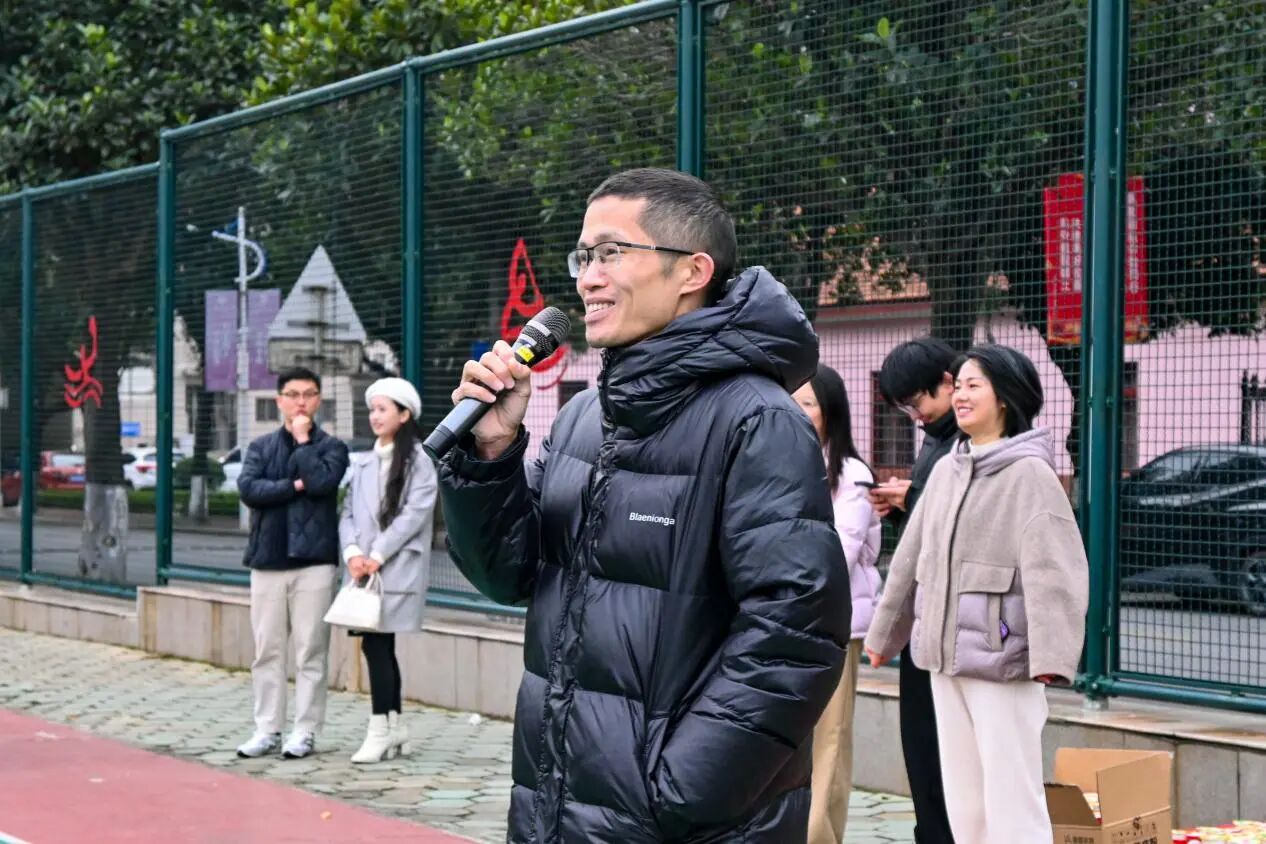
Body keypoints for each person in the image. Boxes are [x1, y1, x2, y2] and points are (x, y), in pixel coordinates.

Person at [438, 168, 850, 843]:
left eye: (610, 253)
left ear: (692, 271)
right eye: (583, 257)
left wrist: (680, 790)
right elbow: (508, 575)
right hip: (558, 809)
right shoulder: (585, 417)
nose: (588, 279)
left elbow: (796, 630)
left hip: (680, 822)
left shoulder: (757, 419)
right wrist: (490, 453)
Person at [864, 344, 1089, 844]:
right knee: (964, 802)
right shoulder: (948, 468)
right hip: (943, 660)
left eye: (973, 386)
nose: (961, 395)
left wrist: (1052, 658)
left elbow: (1058, 573)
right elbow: (910, 560)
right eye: (959, 385)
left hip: (1002, 661)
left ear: (1004, 397)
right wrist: (884, 636)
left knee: (1012, 799)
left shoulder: (1030, 474)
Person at [869, 336, 959, 843]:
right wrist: (904, 506)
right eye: (904, 407)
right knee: (922, 750)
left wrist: (915, 497)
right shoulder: (937, 437)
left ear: (946, 382)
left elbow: (965, 516)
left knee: (944, 756)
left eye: (917, 401)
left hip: (955, 625)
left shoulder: (967, 439)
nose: (915, 415)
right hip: (924, 616)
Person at [235, 367, 350, 760]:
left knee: (310, 651)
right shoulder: (260, 447)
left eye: (309, 394)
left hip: (314, 563)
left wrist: (302, 443)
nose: (300, 402)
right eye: (293, 394)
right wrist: (293, 486)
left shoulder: (332, 447)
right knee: (266, 651)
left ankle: (305, 730)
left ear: (318, 400)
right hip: (267, 561)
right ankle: (266, 728)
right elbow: (249, 489)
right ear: (279, 400)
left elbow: (322, 483)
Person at [792, 364, 882, 844]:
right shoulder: (779, 459)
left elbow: (837, 554)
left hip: (830, 624)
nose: (797, 410)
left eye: (808, 403)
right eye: (792, 400)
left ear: (831, 413)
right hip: (782, 621)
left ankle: (818, 836)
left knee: (829, 737)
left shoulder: (851, 476)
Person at [338, 377, 437, 763]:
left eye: (383, 409)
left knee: (377, 646)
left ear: (404, 414)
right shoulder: (363, 462)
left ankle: (380, 729)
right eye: (372, 409)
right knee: (378, 645)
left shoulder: (419, 462)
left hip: (395, 569)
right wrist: (353, 554)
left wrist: (376, 555)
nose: (375, 416)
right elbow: (347, 513)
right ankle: (393, 727)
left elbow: (414, 514)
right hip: (364, 570)